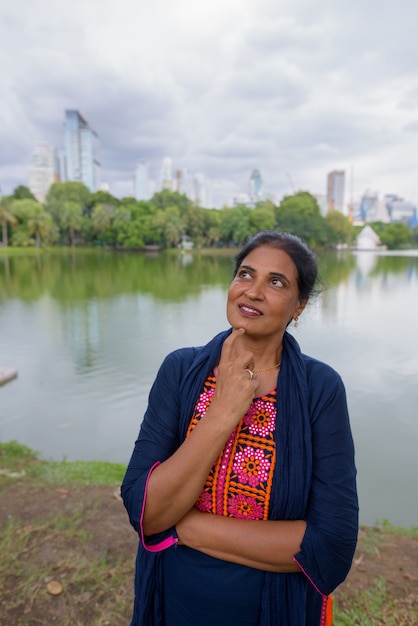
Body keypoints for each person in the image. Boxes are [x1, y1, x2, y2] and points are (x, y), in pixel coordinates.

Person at [121, 230, 358, 626]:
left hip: (271, 609)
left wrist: (184, 527)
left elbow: (329, 547)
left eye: (276, 282)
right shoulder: (180, 371)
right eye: (245, 275)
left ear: (299, 306)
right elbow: (144, 512)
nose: (254, 291)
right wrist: (222, 412)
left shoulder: (320, 389)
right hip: (175, 599)